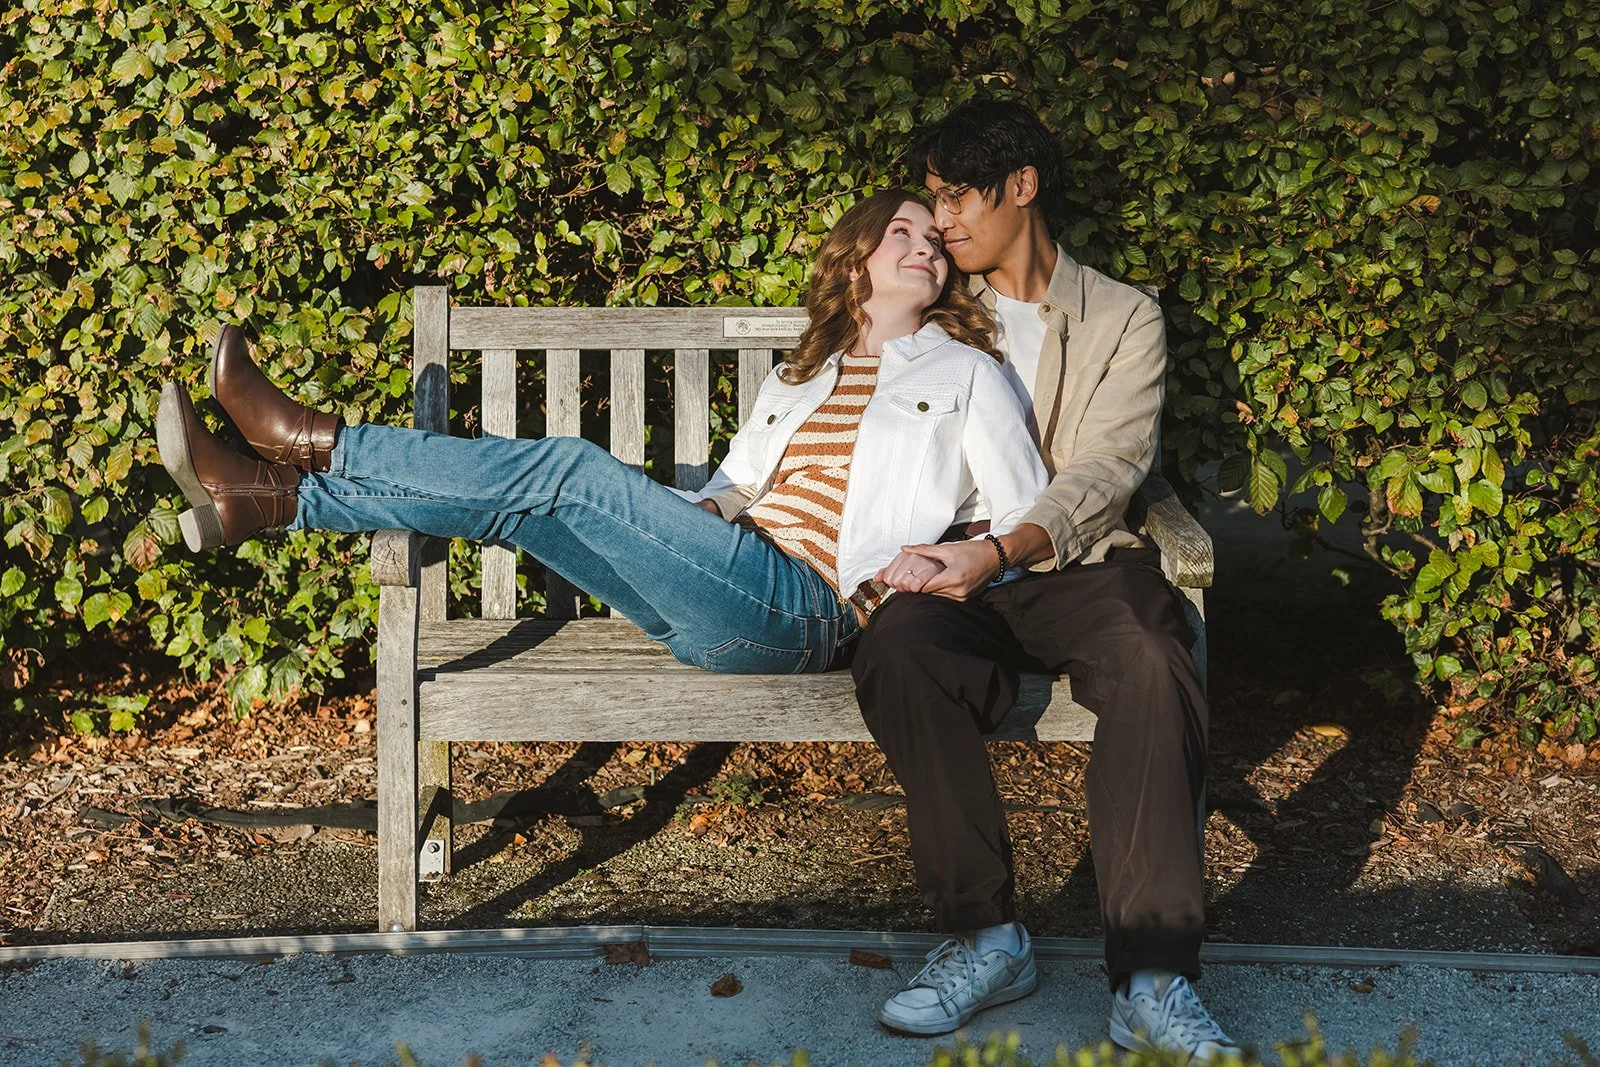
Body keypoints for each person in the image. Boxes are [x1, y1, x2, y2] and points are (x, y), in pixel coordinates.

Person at [156, 189, 1047, 693]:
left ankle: (310, 442)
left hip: (810, 609)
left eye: (936, 242)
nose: (926, 247)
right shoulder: (801, 372)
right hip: (719, 588)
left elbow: (1025, 514)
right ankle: (273, 500)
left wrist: (962, 560)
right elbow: (734, 488)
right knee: (521, 505)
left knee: (567, 469)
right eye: (903, 232)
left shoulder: (967, 371)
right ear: (856, 260)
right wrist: (676, 518)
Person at [856, 103, 1241, 1059]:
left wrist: (1003, 549)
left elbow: (1111, 468)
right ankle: (985, 936)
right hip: (947, 571)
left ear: (1020, 186)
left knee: (1155, 655)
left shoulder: (1122, 315)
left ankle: (1152, 976)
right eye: (932, 198)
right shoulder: (937, 302)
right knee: (897, 647)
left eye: (955, 196)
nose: (939, 221)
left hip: (1074, 564)